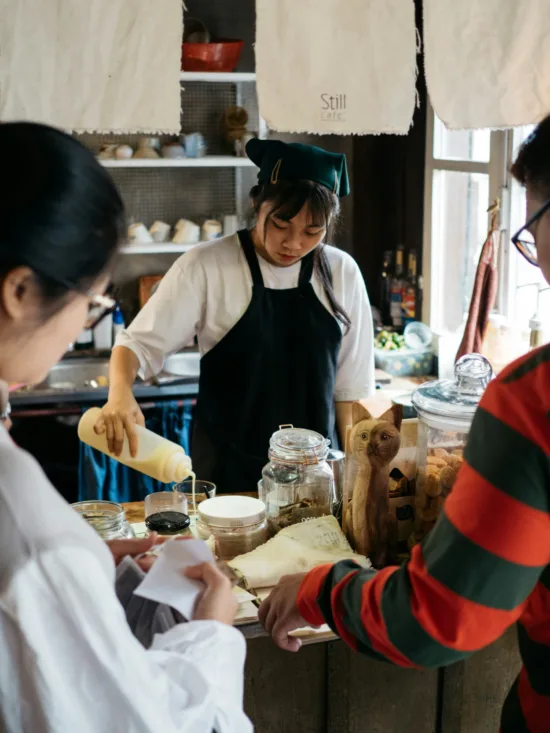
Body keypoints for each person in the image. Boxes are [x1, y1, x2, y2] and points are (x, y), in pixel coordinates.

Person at [259, 117, 550, 733]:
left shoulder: (533, 399)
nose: (539, 262)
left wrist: (317, 587)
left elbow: (439, 616)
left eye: (531, 233)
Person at [0, 122, 251, 733]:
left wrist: (88, 565)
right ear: (20, 291)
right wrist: (210, 632)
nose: (88, 320)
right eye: (92, 302)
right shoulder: (25, 523)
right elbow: (146, 723)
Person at [96, 139, 374, 493]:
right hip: (227, 477)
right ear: (257, 203)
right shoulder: (207, 265)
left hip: (313, 481)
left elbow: (350, 391)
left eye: (312, 231)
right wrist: (120, 392)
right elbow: (136, 344)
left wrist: (354, 479)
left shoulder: (341, 272)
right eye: (281, 224)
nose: (293, 243)